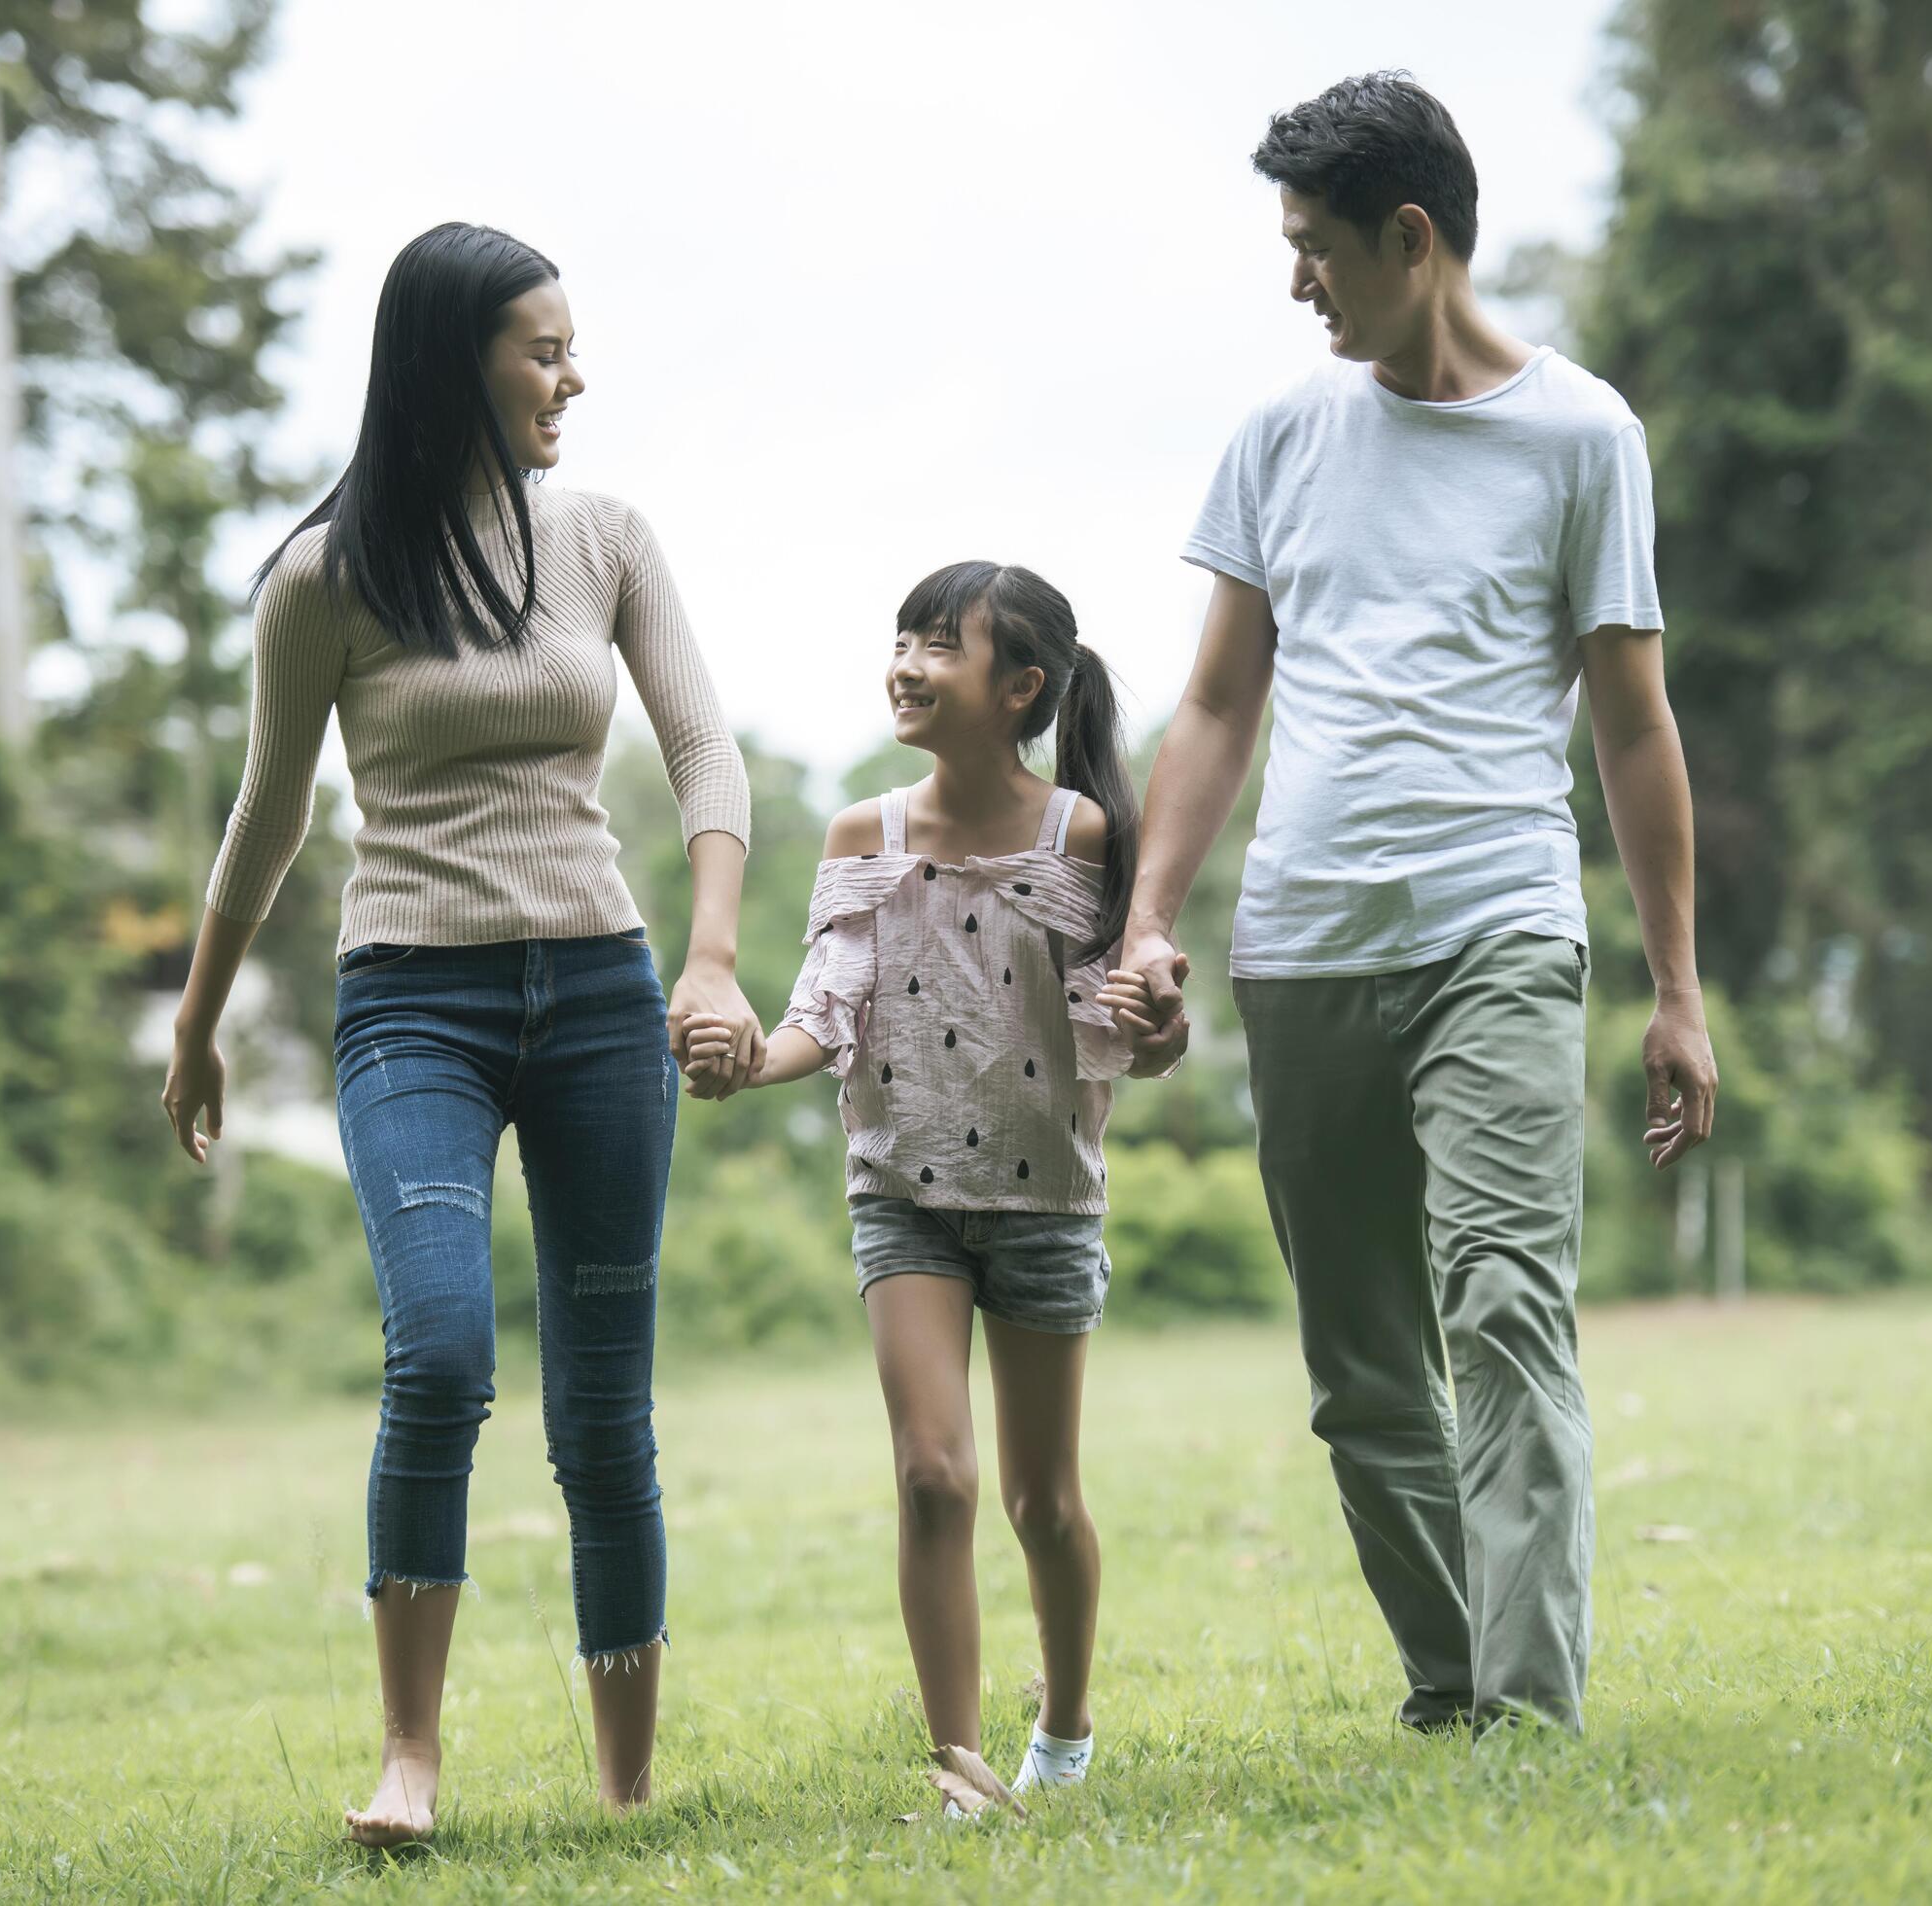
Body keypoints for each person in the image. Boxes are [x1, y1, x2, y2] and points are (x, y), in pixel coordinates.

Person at [1112, 73, 1719, 1735]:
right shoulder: (1280, 437)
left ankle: (1530, 1715)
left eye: (1314, 248)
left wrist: (1675, 989)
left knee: (1506, 1309)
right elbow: (1217, 703)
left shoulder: (1582, 436)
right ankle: (1453, 1681)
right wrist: (1148, 919)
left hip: (1498, 933)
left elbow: (1633, 722)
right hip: (1302, 953)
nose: (1293, 280)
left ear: (1410, 237)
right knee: (1365, 1375)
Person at [158, 222, 764, 1837]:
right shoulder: (325, 574)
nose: (575, 375)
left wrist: (709, 959)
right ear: (453, 360)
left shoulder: (606, 535)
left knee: (601, 1405)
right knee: (438, 1351)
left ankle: (626, 1784)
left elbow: (706, 754)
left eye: (573, 346)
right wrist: (200, 1022)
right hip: (410, 1000)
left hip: (597, 994)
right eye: (543, 348)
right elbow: (265, 818)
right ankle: (408, 1757)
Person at [682, 562, 1176, 1816]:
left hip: (1047, 1202)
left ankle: (1061, 1730)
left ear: (1019, 688)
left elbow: (1123, 1029)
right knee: (931, 1476)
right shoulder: (865, 837)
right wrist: (748, 1061)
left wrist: (1158, 1023)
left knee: (1041, 1499)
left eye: (937, 646)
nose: (905, 663)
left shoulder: (1081, 833)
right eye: (900, 640)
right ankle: (965, 1774)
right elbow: (822, 1017)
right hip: (902, 1193)